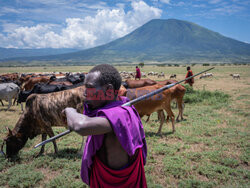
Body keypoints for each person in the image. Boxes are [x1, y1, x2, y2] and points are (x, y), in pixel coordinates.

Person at [63, 64, 147, 187]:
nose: (85, 93)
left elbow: (81, 126)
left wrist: (69, 111)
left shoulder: (119, 115)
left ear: (108, 90)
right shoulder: (123, 105)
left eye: (90, 87)